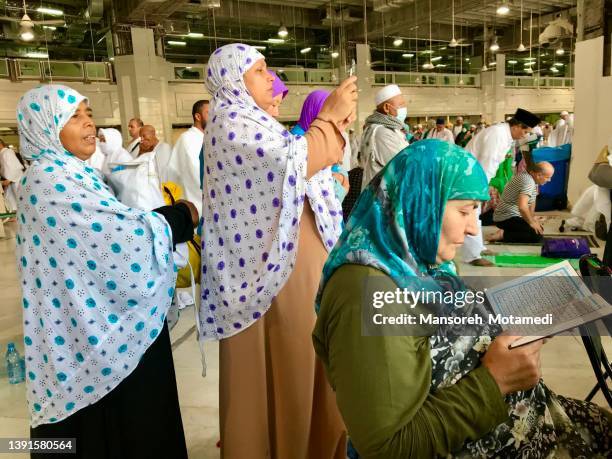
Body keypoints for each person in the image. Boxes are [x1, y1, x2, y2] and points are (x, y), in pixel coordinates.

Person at [313, 139, 611, 459]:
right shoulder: (366, 294)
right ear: (421, 202)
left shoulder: (418, 261)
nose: (472, 229)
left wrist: (524, 310)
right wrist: (494, 382)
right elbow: (391, 447)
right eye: (465, 211)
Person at [16, 84, 199, 458]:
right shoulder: (50, 181)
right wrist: (181, 216)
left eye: (88, 113)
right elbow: (125, 239)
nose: (88, 123)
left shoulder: (72, 173)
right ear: (44, 125)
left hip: (98, 323)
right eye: (74, 116)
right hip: (90, 335)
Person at [200, 43, 355, 458]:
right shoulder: (232, 122)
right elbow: (297, 161)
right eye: (260, 71)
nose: (271, 79)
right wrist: (330, 117)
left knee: (303, 363)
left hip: (286, 267)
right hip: (269, 276)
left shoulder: (259, 123)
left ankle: (308, 443)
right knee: (289, 366)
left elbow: (302, 172)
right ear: (233, 81)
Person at [462, 108, 540, 266]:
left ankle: (478, 249)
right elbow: (486, 164)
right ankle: (472, 256)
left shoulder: (505, 136)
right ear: (517, 126)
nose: (525, 135)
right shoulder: (497, 134)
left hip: (475, 178)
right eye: (525, 131)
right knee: (469, 214)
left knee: (474, 214)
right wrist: (480, 191)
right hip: (469, 178)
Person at [290, 90, 350, 203]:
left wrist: (341, 178)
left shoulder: (325, 134)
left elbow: (339, 167)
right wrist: (341, 182)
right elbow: (311, 183)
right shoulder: (299, 139)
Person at [489, 162, 554, 243]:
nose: (549, 180)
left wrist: (532, 220)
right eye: (548, 177)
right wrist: (532, 223)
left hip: (514, 215)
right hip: (505, 218)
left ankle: (508, 232)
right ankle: (503, 235)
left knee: (538, 229)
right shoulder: (528, 182)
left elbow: (531, 203)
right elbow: (522, 207)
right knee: (536, 236)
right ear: (538, 175)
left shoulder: (531, 177)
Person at [360, 84, 409, 188]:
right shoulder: (382, 133)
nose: (404, 108)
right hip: (383, 196)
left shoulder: (385, 128)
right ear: (387, 107)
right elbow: (403, 166)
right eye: (401, 105)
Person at [166, 100, 209, 215]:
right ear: (198, 116)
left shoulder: (205, 138)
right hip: (196, 205)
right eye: (209, 113)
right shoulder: (188, 139)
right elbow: (196, 173)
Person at [0, 139, 25, 211]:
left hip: (15, 178)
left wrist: (10, 179)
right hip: (10, 179)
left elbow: (16, 167)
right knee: (10, 198)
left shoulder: (7, 152)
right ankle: (15, 215)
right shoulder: (2, 153)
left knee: (20, 197)